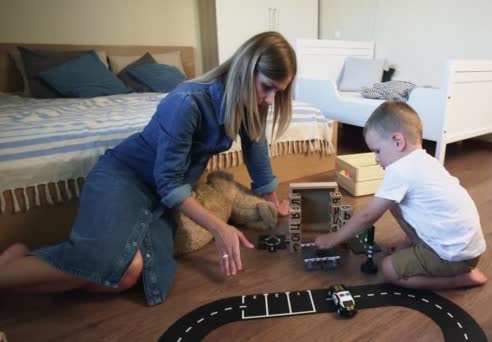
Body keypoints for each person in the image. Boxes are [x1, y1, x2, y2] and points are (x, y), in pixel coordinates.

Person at [0, 31, 297, 306]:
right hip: (124, 176)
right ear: (245, 69)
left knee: (129, 276)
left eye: (278, 92)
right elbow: (169, 182)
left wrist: (273, 204)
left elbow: (257, 156)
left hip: (159, 196)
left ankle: (22, 263)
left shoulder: (250, 105)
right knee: (110, 265)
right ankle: (14, 269)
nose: (270, 100)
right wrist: (220, 227)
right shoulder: (187, 101)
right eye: (267, 87)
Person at [316, 100, 488, 290]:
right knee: (393, 202)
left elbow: (367, 216)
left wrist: (334, 238)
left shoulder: (400, 170)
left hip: (453, 257)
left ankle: (460, 279)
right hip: (462, 247)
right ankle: (414, 244)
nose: (376, 159)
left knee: (389, 269)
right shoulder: (425, 160)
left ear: (398, 141)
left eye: (377, 151)